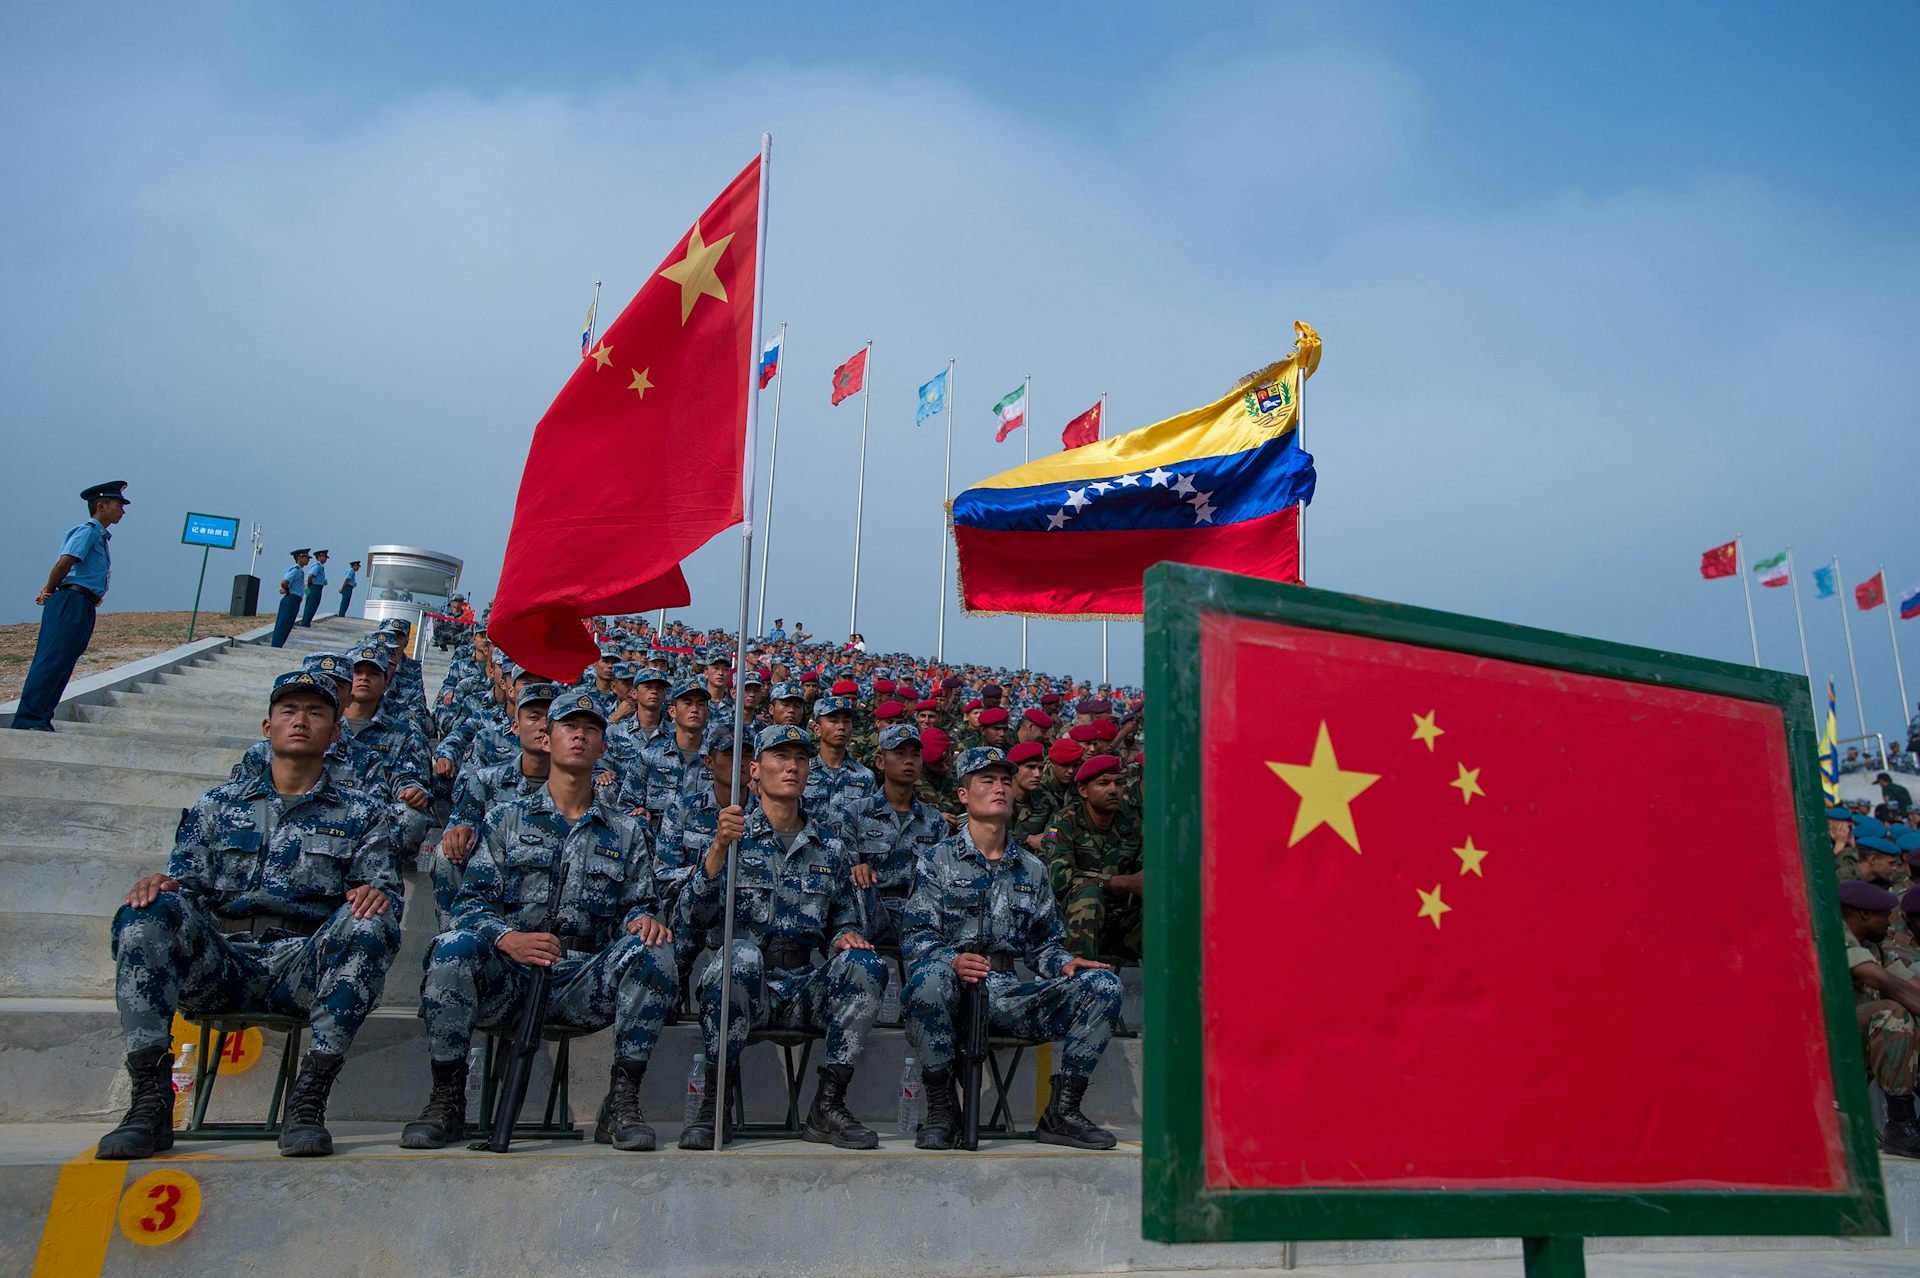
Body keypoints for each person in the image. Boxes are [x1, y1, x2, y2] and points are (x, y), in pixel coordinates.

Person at [95, 671, 402, 1159]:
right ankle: (149, 1101)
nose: (300, 721)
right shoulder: (216, 807)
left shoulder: (362, 813)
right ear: (267, 726)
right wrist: (163, 888)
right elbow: (188, 886)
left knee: (372, 920)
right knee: (148, 911)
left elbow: (382, 888)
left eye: (315, 713)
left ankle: (307, 1100)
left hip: (302, 965)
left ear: (335, 732)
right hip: (223, 962)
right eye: (289, 711)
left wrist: (372, 895)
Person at [406, 690, 677, 1151]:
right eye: (569, 726)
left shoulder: (627, 831)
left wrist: (643, 921)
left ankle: (621, 1102)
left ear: (603, 746)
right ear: (547, 739)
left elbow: (638, 904)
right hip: (511, 976)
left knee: (655, 948)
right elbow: (470, 905)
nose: (580, 735)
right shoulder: (505, 819)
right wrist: (509, 939)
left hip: (582, 980)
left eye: (591, 729)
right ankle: (446, 1099)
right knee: (452, 947)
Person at [899, 746, 1123, 1150]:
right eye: (987, 780)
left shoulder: (1031, 868)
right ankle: (942, 1110)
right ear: (963, 795)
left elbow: (1043, 945)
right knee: (928, 981)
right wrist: (953, 960)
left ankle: (1063, 1112)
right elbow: (916, 937)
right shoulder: (936, 860)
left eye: (1005, 780)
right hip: (953, 994)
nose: (1000, 788)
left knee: (1103, 986)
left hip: (1007, 994)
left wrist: (1065, 963)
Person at [676, 724, 885, 1151]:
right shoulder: (732, 835)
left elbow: (844, 921)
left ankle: (828, 1105)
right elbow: (692, 917)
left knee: (866, 965)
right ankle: (715, 1105)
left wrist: (846, 937)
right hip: (744, 988)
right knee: (741, 955)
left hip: (802, 988)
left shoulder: (829, 847)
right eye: (781, 756)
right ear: (755, 769)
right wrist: (716, 850)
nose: (792, 766)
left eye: (801, 759)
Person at [433, 682, 560, 929]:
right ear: (516, 726)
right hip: (497, 868)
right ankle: (453, 931)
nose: (543, 726)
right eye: (533, 717)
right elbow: (461, 821)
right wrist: (459, 832)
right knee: (446, 854)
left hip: (549, 881)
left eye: (550, 719)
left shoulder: (575, 786)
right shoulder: (486, 780)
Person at [12, 480, 129, 731]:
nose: (122, 511)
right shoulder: (88, 532)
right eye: (119, 505)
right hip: (70, 601)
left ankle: (40, 719)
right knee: (52, 659)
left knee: (64, 662)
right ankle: (28, 720)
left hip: (83, 604)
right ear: (101, 505)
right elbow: (64, 563)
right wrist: (48, 590)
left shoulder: (100, 536)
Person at [830, 724, 948, 946]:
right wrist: (857, 869)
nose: (908, 761)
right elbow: (842, 874)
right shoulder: (855, 814)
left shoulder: (934, 821)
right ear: (880, 762)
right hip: (869, 915)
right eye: (899, 753)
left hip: (920, 917)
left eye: (915, 754)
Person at [1837, 879, 1920, 1158]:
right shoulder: (1834, 936)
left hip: (1853, 1047)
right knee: (1892, 1013)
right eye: (1884, 916)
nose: (1890, 922)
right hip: (1825, 1047)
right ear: (1863, 914)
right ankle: (1900, 1124)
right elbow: (1889, 985)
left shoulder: (1875, 947)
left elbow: (1910, 986)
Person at [1044, 754, 1145, 961]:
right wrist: (1118, 882)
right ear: (1083, 790)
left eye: (1119, 783)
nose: (1113, 790)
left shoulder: (1133, 825)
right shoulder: (1064, 822)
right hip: (1072, 917)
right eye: (1104, 783)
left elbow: (1145, 876)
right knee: (1089, 893)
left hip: (1121, 920)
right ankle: (1081, 976)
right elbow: (1058, 877)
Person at [271, 550, 310, 648]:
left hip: (295, 600)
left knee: (288, 624)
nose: (308, 560)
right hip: (291, 599)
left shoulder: (300, 571)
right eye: (306, 557)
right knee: (283, 623)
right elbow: (284, 582)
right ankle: (276, 645)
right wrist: (286, 589)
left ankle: (278, 645)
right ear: (299, 557)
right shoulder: (296, 570)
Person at [300, 550, 330, 627]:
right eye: (324, 557)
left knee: (314, 605)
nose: (326, 559)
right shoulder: (317, 566)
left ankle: (307, 622)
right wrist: (309, 585)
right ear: (319, 557)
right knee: (311, 605)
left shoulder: (320, 566)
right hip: (314, 587)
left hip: (317, 588)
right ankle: (305, 623)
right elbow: (311, 576)